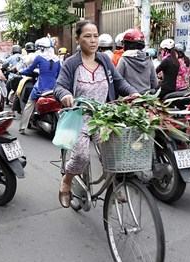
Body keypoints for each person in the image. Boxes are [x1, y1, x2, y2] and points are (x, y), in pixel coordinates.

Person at [54, 20, 138, 208]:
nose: (93, 40)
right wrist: (66, 95)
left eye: (95, 36)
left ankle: (114, 186)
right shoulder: (71, 63)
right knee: (82, 157)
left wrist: (134, 94)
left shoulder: (105, 60)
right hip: (79, 118)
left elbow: (119, 82)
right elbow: (59, 86)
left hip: (103, 116)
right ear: (78, 39)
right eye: (87, 36)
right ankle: (67, 181)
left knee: (113, 154)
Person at [19, 37, 61, 134]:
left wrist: (21, 72)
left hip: (41, 86)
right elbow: (59, 74)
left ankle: (22, 127)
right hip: (54, 87)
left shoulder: (39, 58)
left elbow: (29, 70)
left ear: (41, 48)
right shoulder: (57, 60)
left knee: (29, 104)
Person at [116, 28, 158, 94]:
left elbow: (117, 80)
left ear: (127, 44)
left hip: (129, 98)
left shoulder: (124, 59)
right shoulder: (148, 59)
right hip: (147, 97)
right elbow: (155, 83)